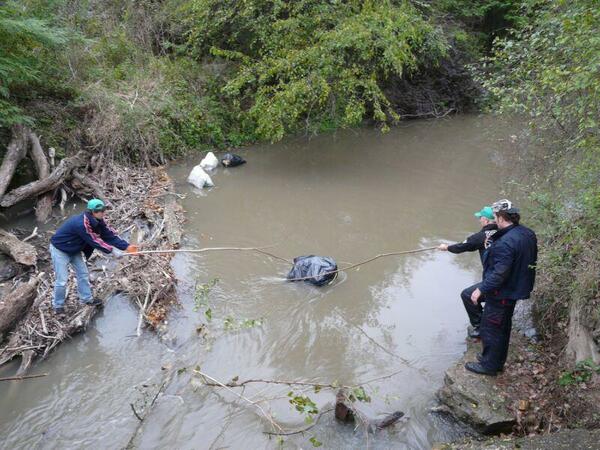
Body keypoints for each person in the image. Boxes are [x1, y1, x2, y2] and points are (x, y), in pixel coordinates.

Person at [464, 199, 538, 376]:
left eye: (496, 216)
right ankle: (495, 361)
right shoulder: (527, 233)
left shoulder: (505, 242)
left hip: (502, 292)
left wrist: (481, 289)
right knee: (503, 327)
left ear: (499, 217)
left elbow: (499, 274)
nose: (495, 220)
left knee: (492, 329)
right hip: (516, 288)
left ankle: (489, 366)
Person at [49, 198, 138, 315]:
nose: (102, 212)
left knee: (83, 274)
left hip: (74, 249)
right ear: (91, 212)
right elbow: (94, 240)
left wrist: (127, 247)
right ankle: (58, 305)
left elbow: (109, 235)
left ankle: (86, 299)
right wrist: (112, 251)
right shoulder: (81, 224)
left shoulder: (99, 221)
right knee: (62, 280)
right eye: (98, 211)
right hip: (60, 250)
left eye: (103, 209)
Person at [439, 206, 497, 338]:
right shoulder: (505, 232)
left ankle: (480, 328)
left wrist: (446, 247)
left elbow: (462, 246)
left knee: (467, 295)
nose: (479, 221)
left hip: (494, 280)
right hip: (506, 278)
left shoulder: (481, 236)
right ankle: (489, 323)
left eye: (480, 218)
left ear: (487, 221)